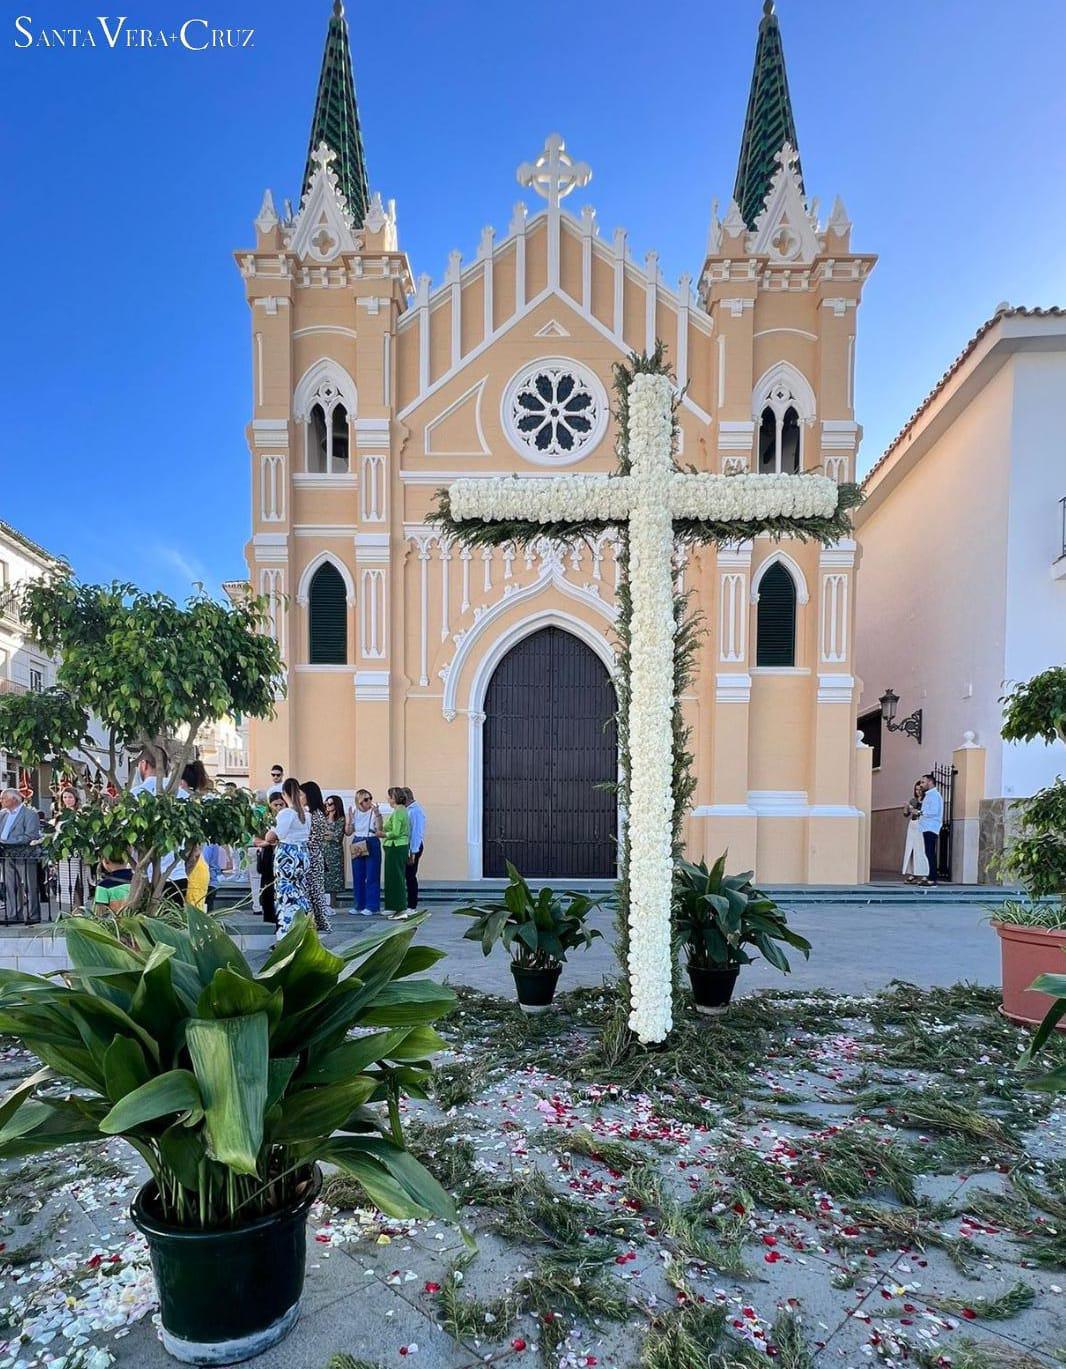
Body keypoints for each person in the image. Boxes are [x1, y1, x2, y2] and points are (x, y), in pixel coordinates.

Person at [254, 777, 311, 939]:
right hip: (302, 854)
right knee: (300, 892)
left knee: (285, 895)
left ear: (285, 794)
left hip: (288, 856)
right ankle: (304, 929)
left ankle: (286, 935)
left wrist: (268, 834)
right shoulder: (306, 815)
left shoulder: (287, 813)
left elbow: (272, 836)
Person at [0, 787, 43, 923]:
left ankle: (33, 915)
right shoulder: (2, 814)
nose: (1, 801)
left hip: (24, 854)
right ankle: (14, 915)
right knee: (11, 886)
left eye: (3, 798)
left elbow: (31, 835)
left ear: (14, 799)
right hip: (6, 855)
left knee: (30, 886)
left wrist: (8, 841)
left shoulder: (29, 814)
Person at [300, 780, 332, 933]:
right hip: (314, 854)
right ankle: (317, 921)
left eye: (301, 794)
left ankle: (319, 922)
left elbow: (312, 838)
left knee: (314, 890)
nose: (299, 797)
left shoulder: (313, 815)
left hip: (311, 855)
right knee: (314, 890)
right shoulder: (317, 813)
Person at [54, 787, 93, 910]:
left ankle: (79, 909)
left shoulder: (81, 814)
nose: (67, 800)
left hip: (77, 853)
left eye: (70, 797)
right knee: (68, 885)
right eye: (65, 797)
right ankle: (74, 910)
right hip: (64, 855)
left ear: (75, 798)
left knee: (79, 883)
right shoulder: (60, 815)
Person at [346, 789, 382, 916]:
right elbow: (348, 832)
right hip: (358, 840)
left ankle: (372, 906)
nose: (369, 801)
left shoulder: (374, 812)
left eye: (370, 798)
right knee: (358, 875)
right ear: (359, 801)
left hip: (371, 840)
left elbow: (379, 829)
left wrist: (378, 815)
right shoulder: (355, 812)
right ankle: (359, 904)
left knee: (372, 874)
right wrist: (349, 820)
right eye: (366, 799)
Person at [256, 792, 286, 926]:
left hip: (282, 855)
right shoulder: (265, 820)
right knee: (268, 887)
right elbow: (256, 840)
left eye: (281, 804)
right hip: (268, 856)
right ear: (270, 805)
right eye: (276, 805)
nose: (279, 807)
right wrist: (269, 842)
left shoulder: (287, 818)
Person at [382, 786, 410, 918]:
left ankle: (400, 908)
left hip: (396, 846)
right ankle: (393, 906)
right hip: (395, 847)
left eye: (389, 796)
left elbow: (396, 832)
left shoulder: (399, 811)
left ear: (394, 798)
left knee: (396, 878)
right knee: (392, 878)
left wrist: (382, 834)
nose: (388, 799)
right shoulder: (399, 810)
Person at [917, 774, 945, 886]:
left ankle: (932, 878)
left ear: (930, 782)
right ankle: (930, 876)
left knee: (930, 852)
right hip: (927, 827)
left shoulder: (934, 795)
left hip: (931, 827)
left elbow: (934, 811)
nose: (921, 785)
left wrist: (920, 812)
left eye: (923, 782)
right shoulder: (929, 795)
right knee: (928, 852)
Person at [900, 780, 929, 884]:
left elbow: (924, 814)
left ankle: (925, 874)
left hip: (921, 825)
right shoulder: (913, 800)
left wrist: (915, 810)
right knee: (911, 849)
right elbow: (906, 814)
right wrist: (906, 807)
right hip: (912, 825)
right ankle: (913, 873)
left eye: (920, 789)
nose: (918, 792)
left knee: (921, 849)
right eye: (916, 789)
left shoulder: (926, 800)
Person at [404, 787, 426, 911]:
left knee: (410, 876)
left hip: (413, 846)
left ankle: (412, 905)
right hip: (407, 846)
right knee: (406, 875)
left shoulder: (415, 811)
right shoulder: (407, 810)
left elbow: (417, 833)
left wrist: (413, 852)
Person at [322, 795, 347, 901]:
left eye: (330, 804)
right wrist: (329, 833)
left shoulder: (341, 819)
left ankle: (332, 903)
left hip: (335, 853)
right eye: (326, 803)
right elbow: (319, 833)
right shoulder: (323, 818)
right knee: (323, 878)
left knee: (334, 878)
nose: (327, 805)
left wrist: (327, 833)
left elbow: (337, 836)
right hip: (323, 852)